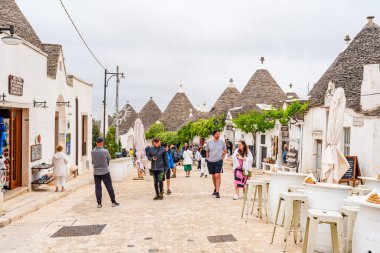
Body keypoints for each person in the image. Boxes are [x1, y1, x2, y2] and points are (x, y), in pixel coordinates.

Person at [91, 137, 119, 208]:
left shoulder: (92, 151)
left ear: (96, 143)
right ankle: (113, 202)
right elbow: (108, 160)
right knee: (109, 186)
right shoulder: (105, 151)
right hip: (105, 171)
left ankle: (99, 203)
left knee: (98, 188)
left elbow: (93, 161)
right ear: (102, 143)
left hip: (96, 172)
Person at [206, 130, 227, 198]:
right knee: (213, 176)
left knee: (218, 175)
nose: (218, 135)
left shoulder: (222, 142)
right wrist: (207, 158)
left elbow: (225, 150)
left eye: (219, 134)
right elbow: (207, 151)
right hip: (210, 161)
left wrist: (222, 158)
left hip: (219, 160)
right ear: (214, 135)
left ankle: (217, 191)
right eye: (217, 134)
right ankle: (215, 188)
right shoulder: (209, 142)